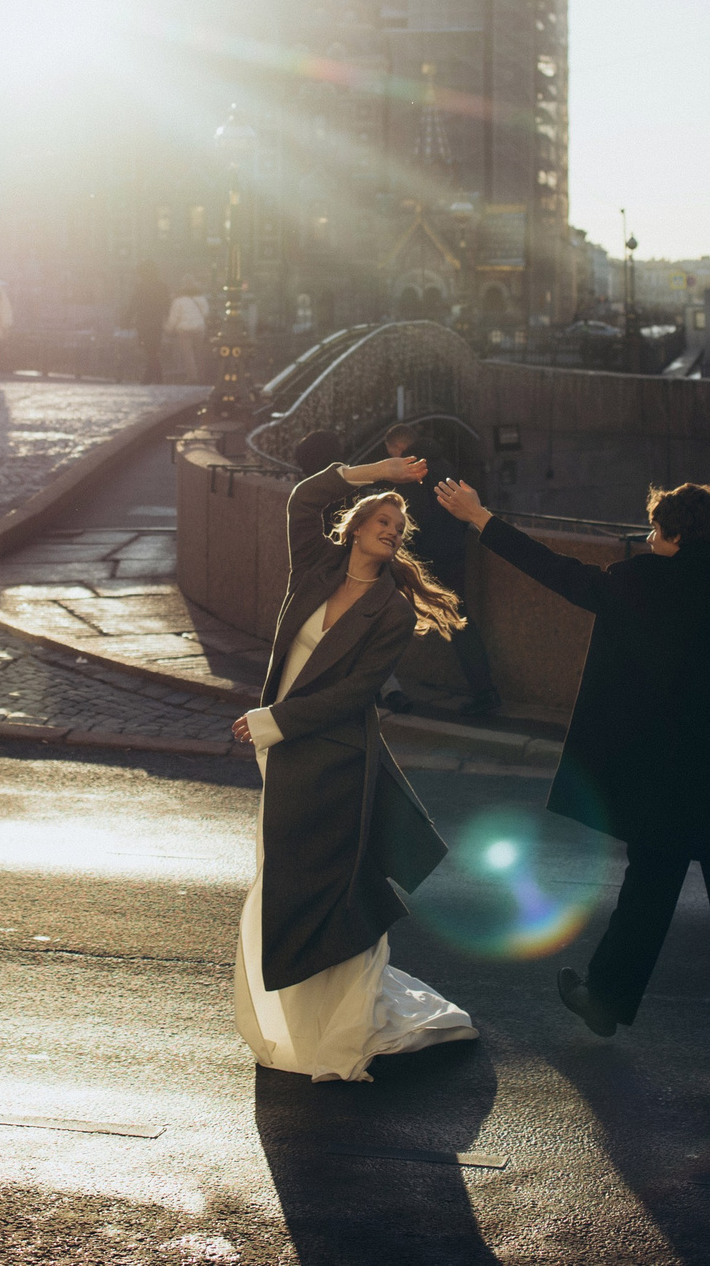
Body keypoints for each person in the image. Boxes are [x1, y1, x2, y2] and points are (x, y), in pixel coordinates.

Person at [433, 476, 710, 1090]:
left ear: (674, 533)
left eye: (656, 528)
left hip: (661, 783)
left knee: (646, 897)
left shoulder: (634, 586)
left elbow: (554, 571)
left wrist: (480, 518)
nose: (650, 537)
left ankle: (604, 1003)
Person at [230, 455, 476, 1082]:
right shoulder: (314, 570)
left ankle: (337, 1020)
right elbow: (302, 500)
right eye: (383, 519)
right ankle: (293, 1012)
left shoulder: (391, 609)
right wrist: (373, 471)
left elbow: (352, 694)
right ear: (358, 525)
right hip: (282, 748)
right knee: (282, 871)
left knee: (316, 881)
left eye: (400, 524)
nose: (393, 528)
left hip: (335, 759)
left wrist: (273, 721)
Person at [381, 422, 501, 716]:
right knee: (459, 622)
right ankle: (485, 692)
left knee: (383, 615)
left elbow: (410, 521)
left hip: (424, 560)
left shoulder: (411, 473)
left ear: (398, 448)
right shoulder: (445, 464)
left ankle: (382, 686)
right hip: (454, 554)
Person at [123, 260, 169, 385]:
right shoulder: (162, 287)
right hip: (157, 323)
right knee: (153, 350)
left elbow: (133, 304)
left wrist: (126, 319)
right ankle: (148, 378)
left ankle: (156, 378)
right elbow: (167, 306)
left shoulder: (141, 287)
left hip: (143, 323)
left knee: (150, 351)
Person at [165, 282, 210, 383]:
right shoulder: (201, 299)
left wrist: (169, 328)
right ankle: (202, 376)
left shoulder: (178, 301)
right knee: (199, 353)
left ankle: (192, 377)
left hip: (184, 330)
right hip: (199, 328)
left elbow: (174, 317)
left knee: (188, 354)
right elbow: (206, 313)